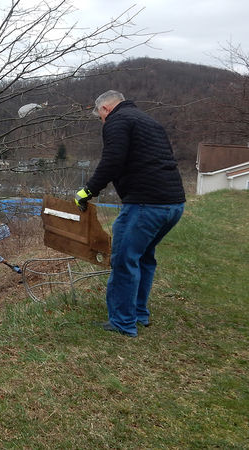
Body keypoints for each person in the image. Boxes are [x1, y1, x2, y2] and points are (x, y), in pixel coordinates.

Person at [75, 90, 185, 337]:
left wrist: (88, 190)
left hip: (145, 204)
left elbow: (112, 161)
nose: (102, 122)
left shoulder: (117, 121)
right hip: (174, 204)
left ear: (105, 109)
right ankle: (138, 314)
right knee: (144, 257)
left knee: (124, 261)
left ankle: (122, 323)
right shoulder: (148, 121)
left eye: (100, 117)